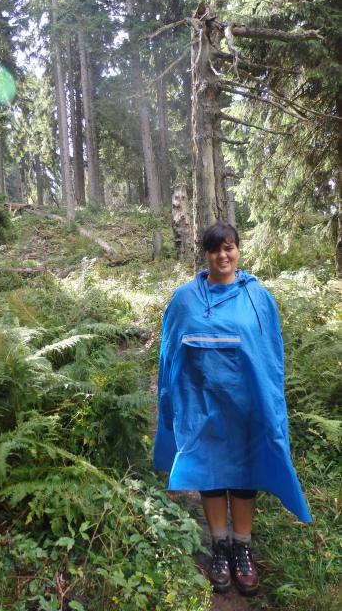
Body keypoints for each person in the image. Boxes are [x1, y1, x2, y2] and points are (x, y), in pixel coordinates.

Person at [153, 222, 312, 596]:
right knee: (210, 474)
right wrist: (171, 400)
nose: (222, 256)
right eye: (215, 249)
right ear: (205, 254)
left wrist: (271, 404)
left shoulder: (258, 298)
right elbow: (170, 353)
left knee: (242, 475)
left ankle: (242, 547)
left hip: (246, 407)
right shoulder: (185, 299)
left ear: (238, 250)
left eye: (229, 248)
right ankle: (220, 546)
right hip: (202, 405)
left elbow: (270, 356)